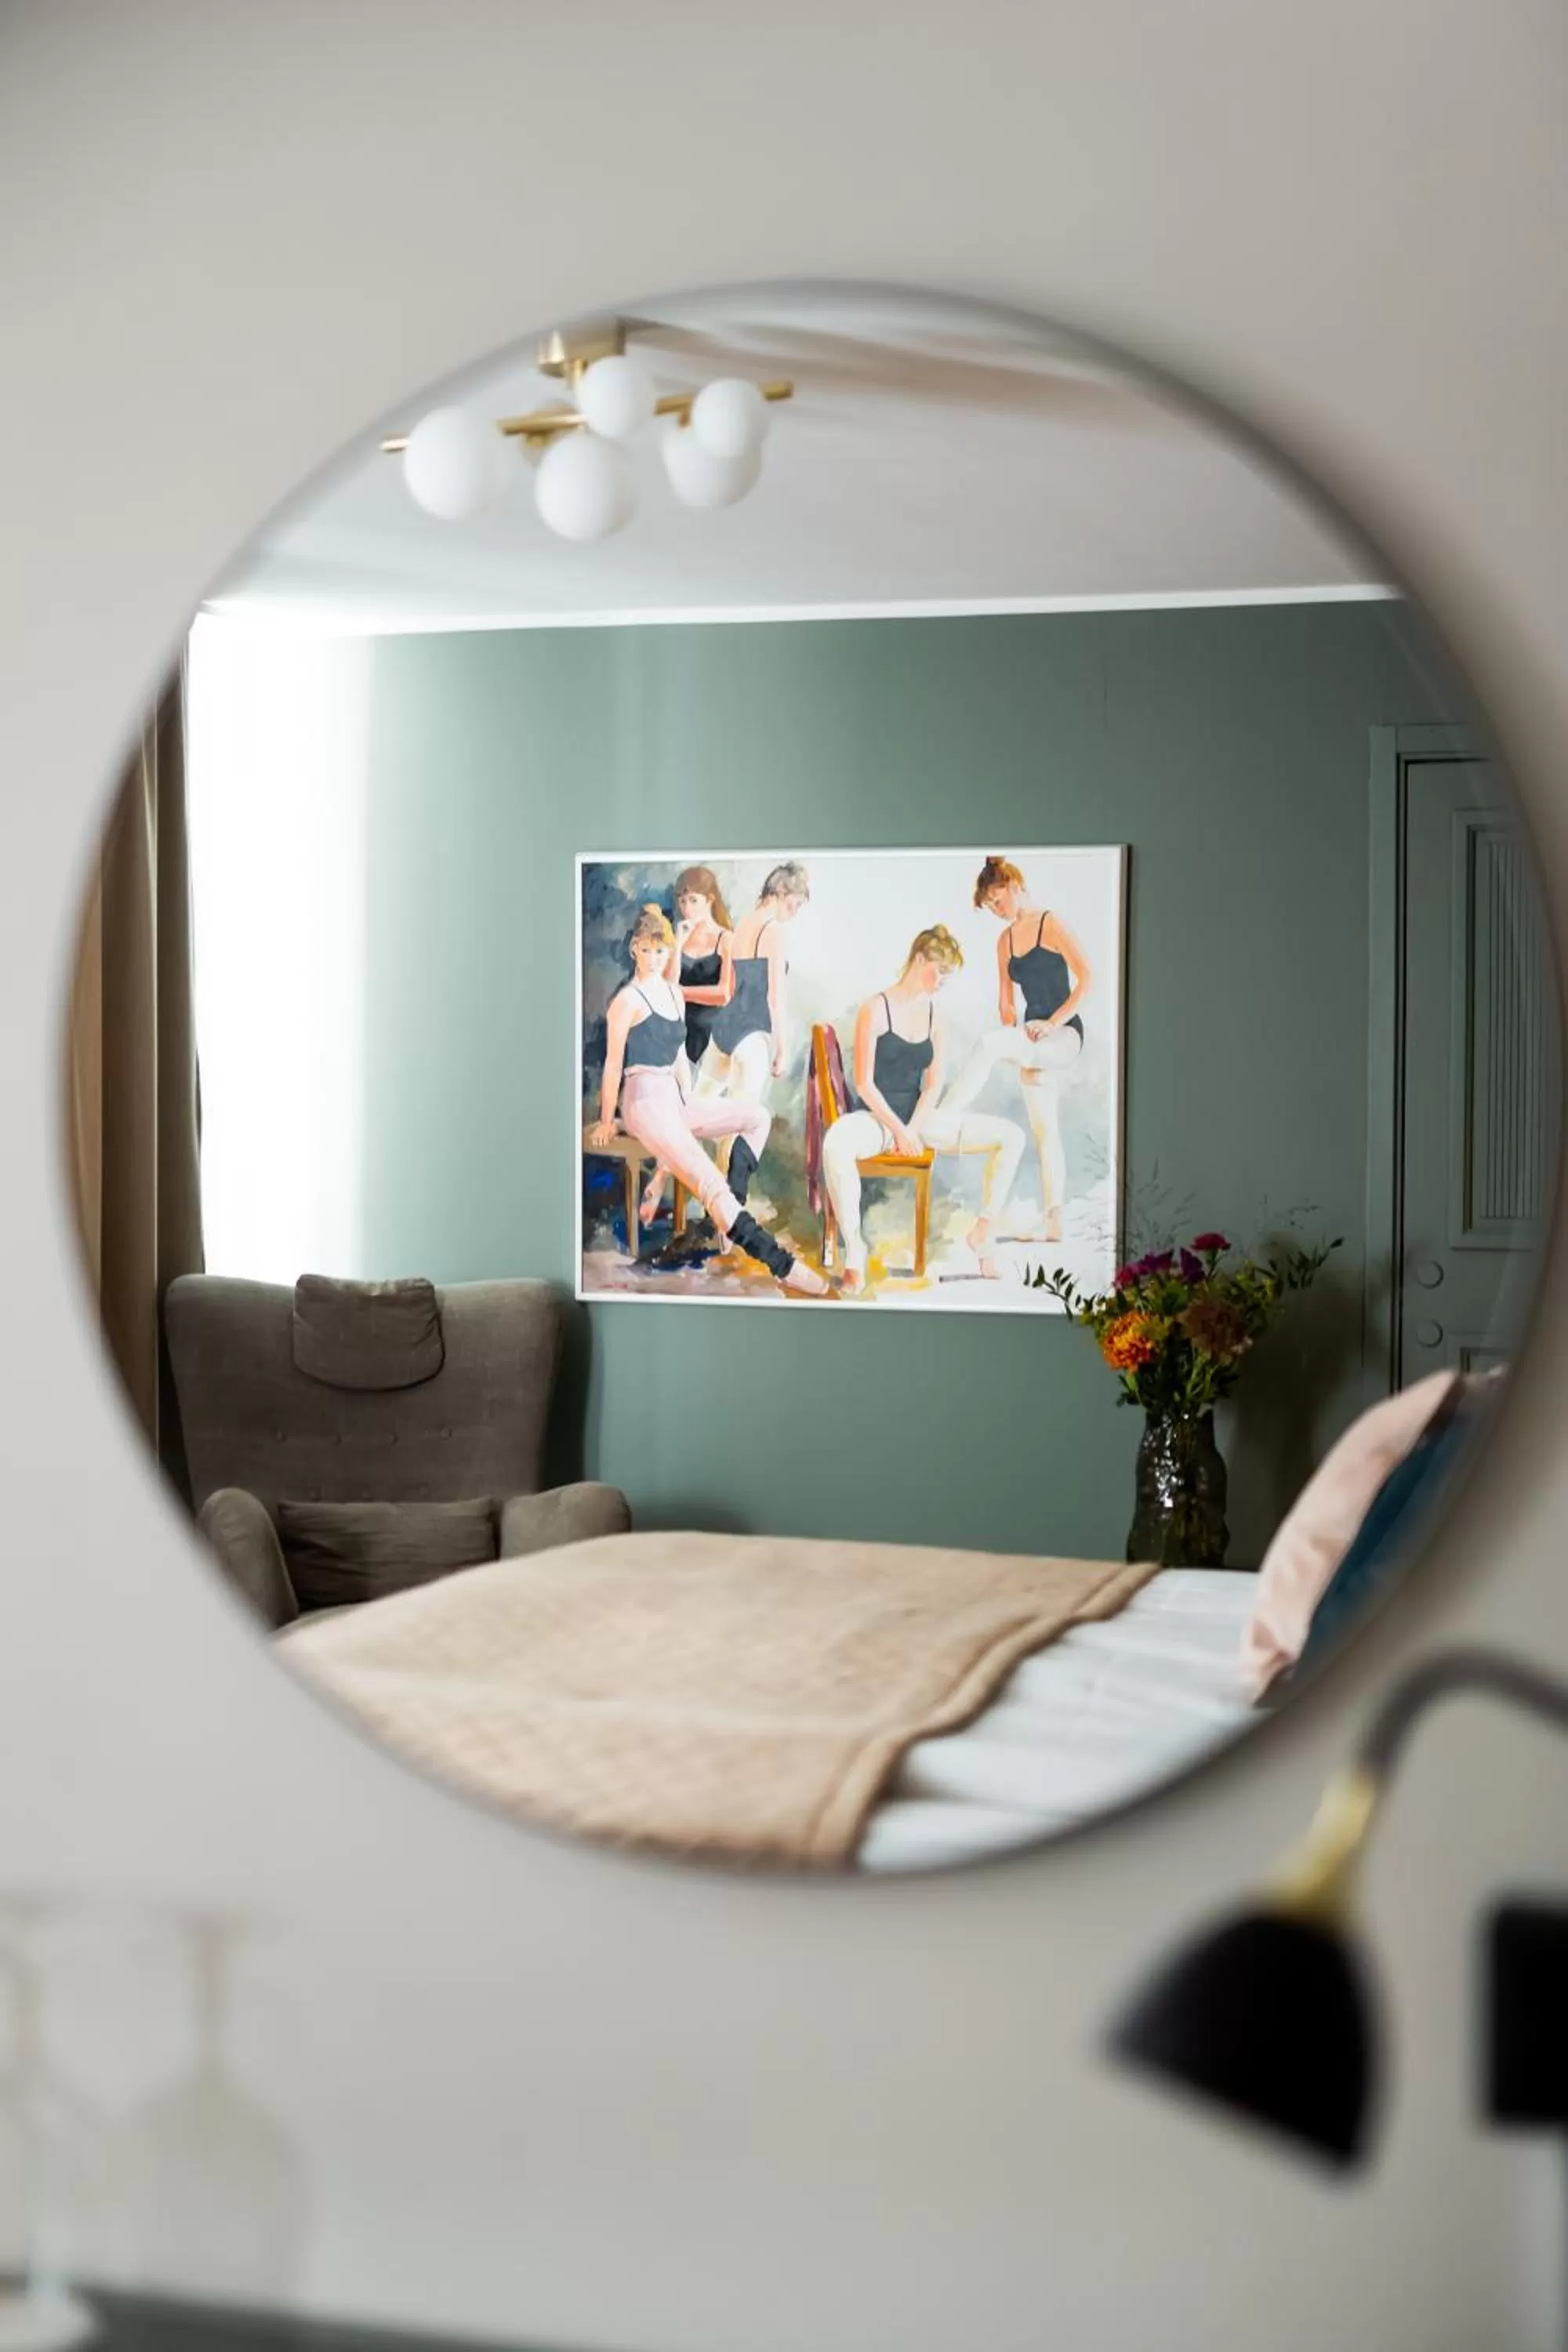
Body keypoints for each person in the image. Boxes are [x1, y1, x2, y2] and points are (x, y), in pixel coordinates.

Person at [586, 904, 828, 1296]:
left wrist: (688, 1108)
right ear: (634, 949)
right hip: (642, 1101)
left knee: (757, 1117)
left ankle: (731, 1204)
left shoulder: (673, 995)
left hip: (674, 1098)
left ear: (669, 951)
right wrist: (605, 1119)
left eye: (661, 951)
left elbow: (680, 1059)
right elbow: (614, 1065)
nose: (654, 959)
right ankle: (781, 1264)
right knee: (708, 1180)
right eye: (646, 950)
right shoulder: (625, 1002)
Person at [818, 925, 1026, 1291]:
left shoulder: (936, 1017)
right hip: (878, 1118)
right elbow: (864, 1085)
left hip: (921, 1119)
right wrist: (899, 1131)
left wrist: (913, 1129)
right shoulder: (876, 1008)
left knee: (1012, 1136)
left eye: (949, 974)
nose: (943, 981)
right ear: (919, 960)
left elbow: (933, 1086)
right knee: (835, 1143)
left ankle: (983, 1231)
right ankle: (855, 1254)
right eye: (940, 971)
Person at [938, 856, 1093, 1246]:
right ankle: (1055, 1222)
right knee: (1045, 1132)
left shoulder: (1048, 923)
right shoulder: (1004, 941)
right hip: (1031, 1040)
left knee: (990, 1045)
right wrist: (1009, 1017)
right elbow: (1007, 1004)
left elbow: (1089, 977)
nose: (996, 910)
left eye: (997, 899)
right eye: (989, 907)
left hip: (1062, 1036)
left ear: (1012, 884)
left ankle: (944, 1117)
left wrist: (1053, 1022)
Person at [637, 863, 733, 1229]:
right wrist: (677, 942)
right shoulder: (678, 938)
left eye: (692, 900)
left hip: (715, 1040)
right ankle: (666, 1185)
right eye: (682, 900)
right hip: (677, 1036)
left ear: (709, 900)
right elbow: (666, 986)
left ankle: (662, 1180)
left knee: (687, 1114)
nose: (686, 907)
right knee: (673, 1112)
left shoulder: (726, 939)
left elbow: (724, 993)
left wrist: (682, 994)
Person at [706, 858, 810, 1114]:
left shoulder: (743, 925)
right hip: (753, 1034)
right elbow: (775, 997)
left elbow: (731, 987)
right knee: (741, 1120)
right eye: (794, 905)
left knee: (698, 1106)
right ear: (781, 892)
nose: (794, 913)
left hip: (726, 1026)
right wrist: (781, 1050)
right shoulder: (773, 931)